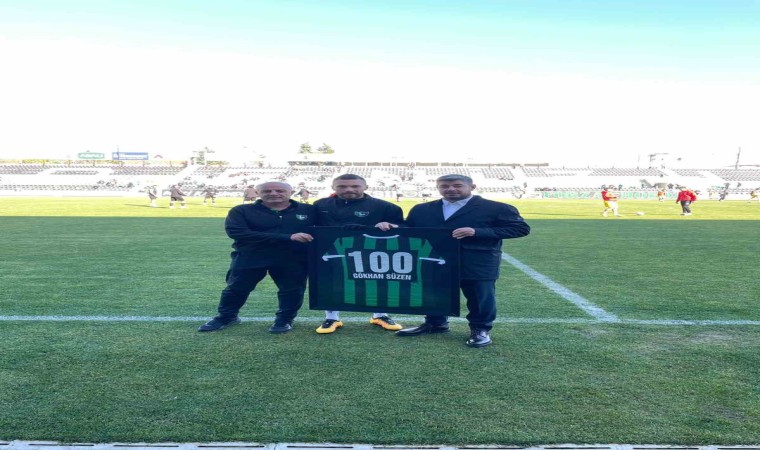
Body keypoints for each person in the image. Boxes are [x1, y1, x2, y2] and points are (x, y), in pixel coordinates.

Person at [397, 174, 530, 348]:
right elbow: (410, 228)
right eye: (444, 186)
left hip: (477, 261)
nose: (451, 189)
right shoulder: (422, 209)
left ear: (472, 187)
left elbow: (520, 228)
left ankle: (480, 329)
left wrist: (477, 232)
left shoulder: (496, 208)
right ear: (438, 188)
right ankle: (435, 323)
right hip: (435, 260)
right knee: (434, 292)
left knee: (479, 296)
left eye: (457, 185)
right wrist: (393, 227)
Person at [198, 182, 316, 334]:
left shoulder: (308, 210)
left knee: (292, 290)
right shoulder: (241, 210)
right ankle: (226, 317)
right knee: (237, 288)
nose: (273, 193)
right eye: (267, 191)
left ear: (291, 192)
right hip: (251, 256)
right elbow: (237, 233)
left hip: (292, 258)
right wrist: (287, 237)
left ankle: (285, 319)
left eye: (279, 190)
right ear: (258, 193)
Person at [313, 174, 405, 334]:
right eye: (342, 186)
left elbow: (404, 227)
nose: (349, 189)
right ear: (333, 187)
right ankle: (332, 317)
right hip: (333, 251)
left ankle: (380, 315)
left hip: (372, 252)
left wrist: (390, 225)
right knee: (332, 282)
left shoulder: (385, 206)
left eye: (355, 186)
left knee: (378, 281)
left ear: (365, 187)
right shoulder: (320, 204)